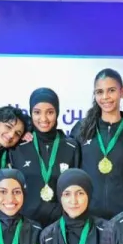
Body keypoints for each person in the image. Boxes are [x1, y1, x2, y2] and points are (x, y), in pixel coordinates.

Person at [70, 69, 123, 220]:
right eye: (100, 92)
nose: (105, 97)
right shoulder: (81, 129)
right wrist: (26, 131)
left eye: (111, 90)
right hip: (88, 216)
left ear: (122, 92)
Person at [12, 88, 81, 227]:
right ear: (31, 113)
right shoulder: (18, 146)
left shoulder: (71, 147)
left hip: (61, 227)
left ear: (57, 113)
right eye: (37, 112)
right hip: (26, 228)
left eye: (50, 112)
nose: (43, 119)